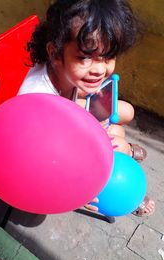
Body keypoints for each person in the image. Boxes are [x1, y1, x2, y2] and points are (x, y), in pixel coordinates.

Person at [18, 0, 154, 216]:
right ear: (54, 53)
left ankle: (124, 155)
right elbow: (38, 162)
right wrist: (75, 188)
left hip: (64, 120)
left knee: (124, 113)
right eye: (85, 58)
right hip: (49, 152)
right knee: (118, 146)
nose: (100, 70)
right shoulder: (37, 103)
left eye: (108, 57)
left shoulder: (62, 71)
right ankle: (130, 197)